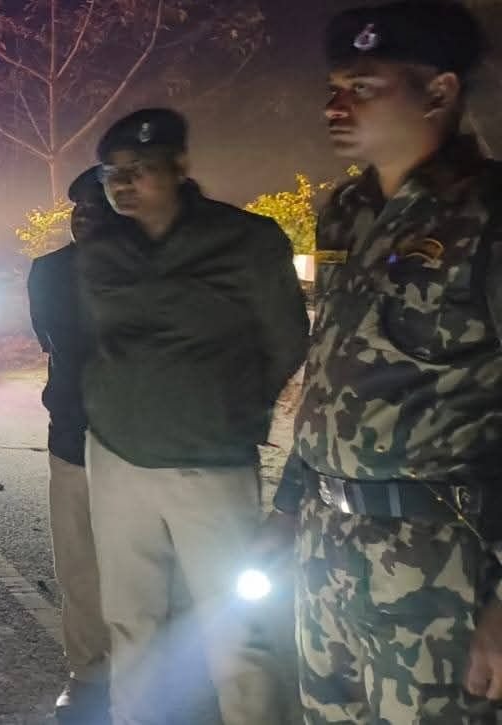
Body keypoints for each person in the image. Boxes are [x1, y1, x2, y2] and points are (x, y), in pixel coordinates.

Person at [262, 4, 502, 722]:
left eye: (363, 87)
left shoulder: (489, 215)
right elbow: (334, 372)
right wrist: (288, 508)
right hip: (327, 550)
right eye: (334, 87)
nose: (335, 106)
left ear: (439, 92)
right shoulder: (346, 210)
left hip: (444, 568)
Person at [78, 107, 309, 724]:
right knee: (131, 623)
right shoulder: (102, 250)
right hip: (118, 456)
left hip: (211, 464)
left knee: (236, 633)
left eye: (139, 168)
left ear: (180, 165)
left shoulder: (246, 241)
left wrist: (230, 408)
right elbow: (97, 343)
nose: (123, 184)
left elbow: (287, 339)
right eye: (112, 174)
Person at [27, 166, 113, 721]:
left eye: (98, 209)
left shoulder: (148, 269)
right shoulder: (49, 272)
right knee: (78, 563)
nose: (84, 218)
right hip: (72, 434)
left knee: (140, 566)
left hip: (138, 444)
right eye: (79, 209)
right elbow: (53, 343)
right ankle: (88, 672)